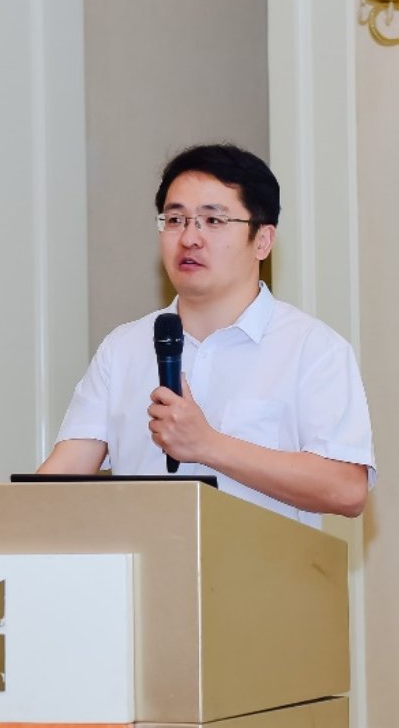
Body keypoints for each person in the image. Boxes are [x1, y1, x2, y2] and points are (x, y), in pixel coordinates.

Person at [38, 144, 374, 525]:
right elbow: (60, 480)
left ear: (262, 240)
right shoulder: (123, 348)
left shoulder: (313, 348)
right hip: (145, 563)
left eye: (213, 220)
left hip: (258, 564)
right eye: (175, 220)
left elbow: (346, 489)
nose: (189, 238)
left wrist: (208, 444)